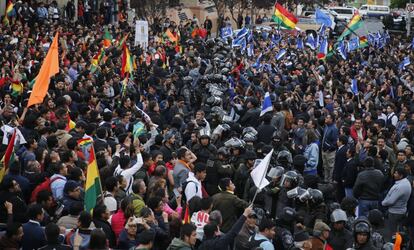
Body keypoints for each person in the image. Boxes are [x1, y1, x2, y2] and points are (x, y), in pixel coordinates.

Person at [381, 167, 412, 242]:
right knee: (398, 231)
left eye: (396, 173)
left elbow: (391, 201)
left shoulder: (400, 186)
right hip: (401, 210)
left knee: (393, 233)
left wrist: (383, 203)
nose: (394, 174)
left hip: (395, 212)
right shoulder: (405, 182)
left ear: (401, 176)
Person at [322, 113, 339, 183]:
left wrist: (329, 149)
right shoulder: (326, 126)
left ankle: (330, 182)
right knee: (325, 167)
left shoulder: (334, 128)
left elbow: (335, 142)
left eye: (327, 117)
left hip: (330, 152)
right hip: (324, 151)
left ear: (331, 119)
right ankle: (326, 181)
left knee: (331, 167)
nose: (325, 119)